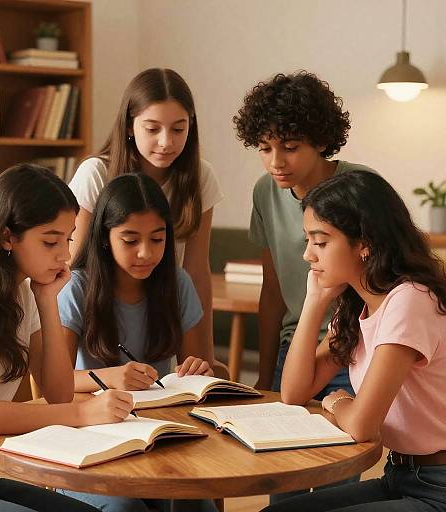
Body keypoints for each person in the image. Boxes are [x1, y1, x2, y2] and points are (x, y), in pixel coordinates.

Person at [0, 163, 134, 511]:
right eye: (50, 241)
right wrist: (81, 415)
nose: (65, 255)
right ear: (7, 236)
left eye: (68, 239)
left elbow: (58, 392)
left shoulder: (24, 292)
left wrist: (47, 300)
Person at [261, 170, 446, 511]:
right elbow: (294, 392)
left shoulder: (409, 300)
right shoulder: (357, 306)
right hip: (400, 476)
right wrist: (314, 302)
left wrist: (338, 403)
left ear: (364, 243)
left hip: (437, 487)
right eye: (307, 241)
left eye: (321, 241)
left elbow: (361, 425)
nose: (308, 255)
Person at [232, 71, 374, 502]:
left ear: (320, 141)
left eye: (290, 147)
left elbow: (383, 279)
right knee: (284, 483)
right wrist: (263, 366)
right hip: (294, 354)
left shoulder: (359, 187)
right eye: (265, 148)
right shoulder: (264, 192)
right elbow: (272, 287)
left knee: (334, 482)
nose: (276, 161)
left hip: (349, 350)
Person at [57, 173, 216, 512]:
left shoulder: (177, 283)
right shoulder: (77, 289)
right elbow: (53, 384)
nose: (146, 253)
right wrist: (110, 377)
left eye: (157, 240)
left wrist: (200, 370)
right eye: (130, 240)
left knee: (198, 506)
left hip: (162, 436)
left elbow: (199, 374)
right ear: (104, 238)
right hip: (91, 441)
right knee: (126, 508)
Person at [69, 68, 223, 371]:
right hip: (100, 317)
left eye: (178, 129)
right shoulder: (95, 174)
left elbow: (197, 271)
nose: (166, 142)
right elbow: (75, 263)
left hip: (159, 307)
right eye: (152, 129)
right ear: (130, 125)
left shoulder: (200, 177)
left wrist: (204, 356)